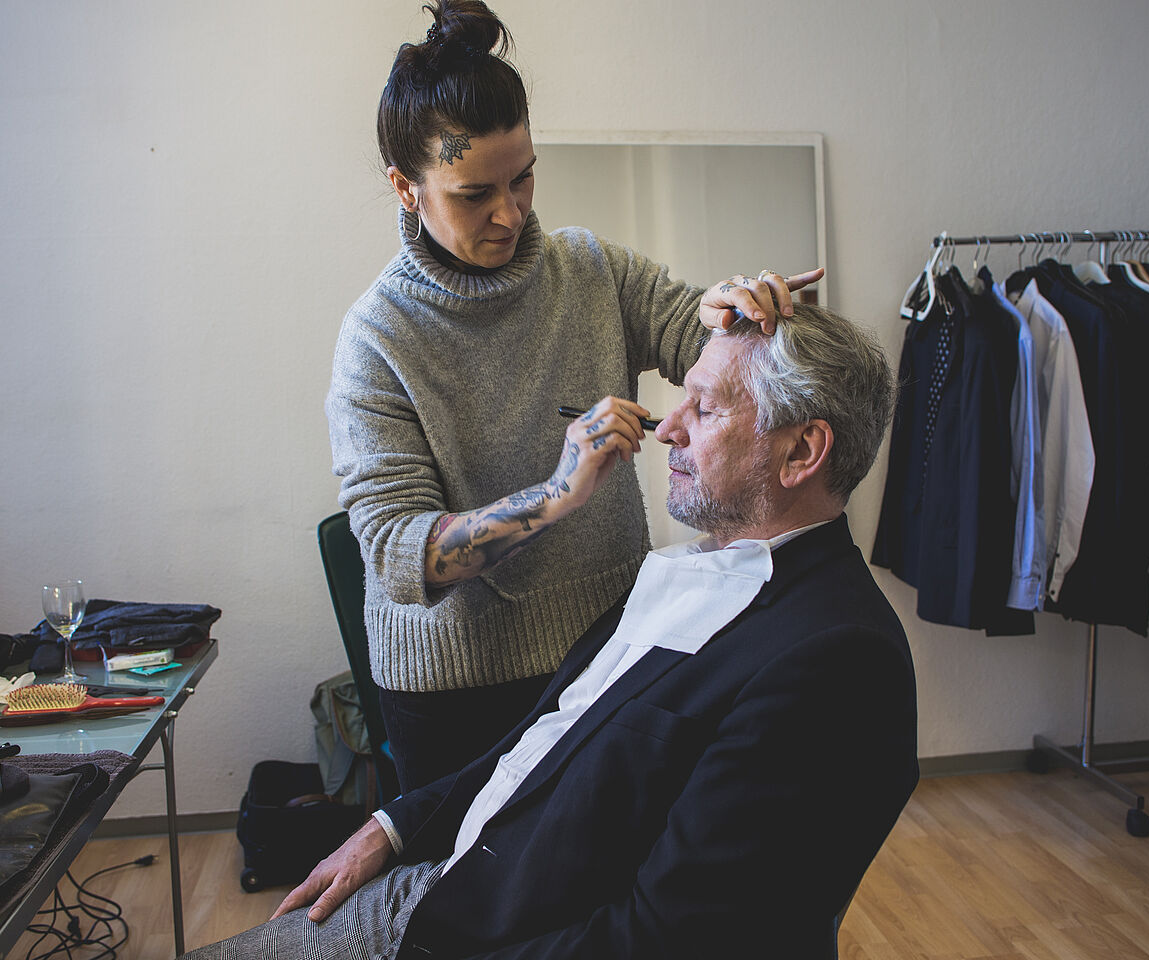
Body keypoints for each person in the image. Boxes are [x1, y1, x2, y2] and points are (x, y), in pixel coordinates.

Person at [193, 302, 917, 959]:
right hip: (449, 874)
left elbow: (669, 940)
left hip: (477, 934)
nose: (666, 427)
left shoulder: (836, 660)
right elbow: (542, 746)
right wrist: (389, 828)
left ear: (801, 452)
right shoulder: (687, 575)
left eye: (703, 407)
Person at [326, 0, 823, 792]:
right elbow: (394, 556)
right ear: (405, 186)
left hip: (607, 644)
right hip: (452, 692)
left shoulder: (591, 271)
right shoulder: (376, 341)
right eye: (472, 192)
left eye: (522, 178)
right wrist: (558, 494)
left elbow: (718, 360)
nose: (509, 212)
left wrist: (737, 318)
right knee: (465, 898)